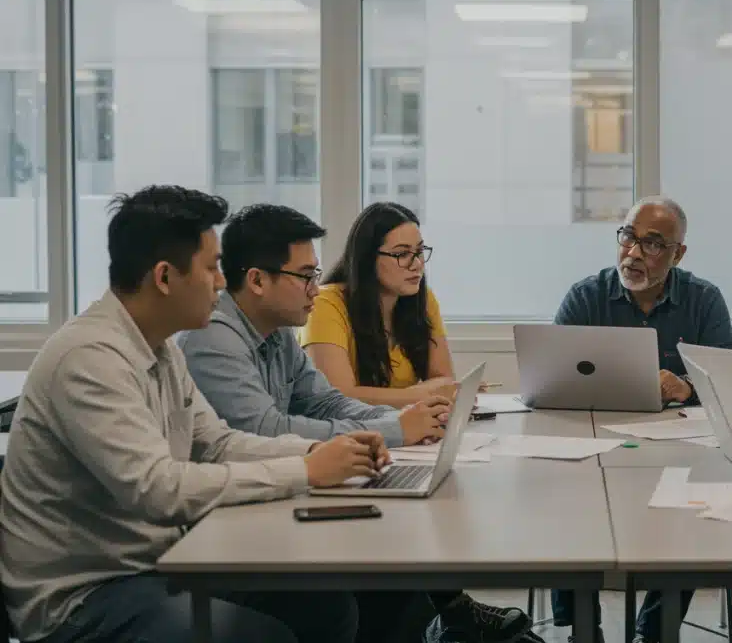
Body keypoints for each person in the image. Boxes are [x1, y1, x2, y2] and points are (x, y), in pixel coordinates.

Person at [0, 186, 383, 643]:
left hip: (156, 564)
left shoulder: (160, 348)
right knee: (258, 637)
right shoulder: (88, 358)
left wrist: (320, 451)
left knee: (326, 607)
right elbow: (158, 490)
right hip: (85, 595)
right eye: (211, 267)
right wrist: (306, 471)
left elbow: (217, 443)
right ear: (164, 277)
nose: (222, 282)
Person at [179, 204, 537, 643]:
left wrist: (400, 422)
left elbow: (325, 401)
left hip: (270, 497)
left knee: (395, 570)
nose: (315, 287)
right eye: (304, 276)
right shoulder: (213, 338)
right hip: (229, 522)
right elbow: (265, 429)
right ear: (256, 280)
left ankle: (448, 617)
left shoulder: (276, 331)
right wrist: (396, 430)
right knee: (358, 591)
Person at [551, 196, 732, 643]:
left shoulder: (703, 300)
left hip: (678, 451)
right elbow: (551, 380)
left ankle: (655, 630)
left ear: (678, 254)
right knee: (563, 499)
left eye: (651, 244)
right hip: (593, 445)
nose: (633, 253)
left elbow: (729, 381)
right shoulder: (586, 297)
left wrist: (686, 387)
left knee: (694, 506)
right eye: (628, 237)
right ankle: (583, 628)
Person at [300, 202, 455, 408]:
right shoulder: (325, 303)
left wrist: (423, 396)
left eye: (419, 251)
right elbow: (338, 397)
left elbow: (445, 380)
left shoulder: (422, 298)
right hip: (349, 425)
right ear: (368, 258)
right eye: (402, 254)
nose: (417, 264)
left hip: (403, 422)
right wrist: (421, 395)